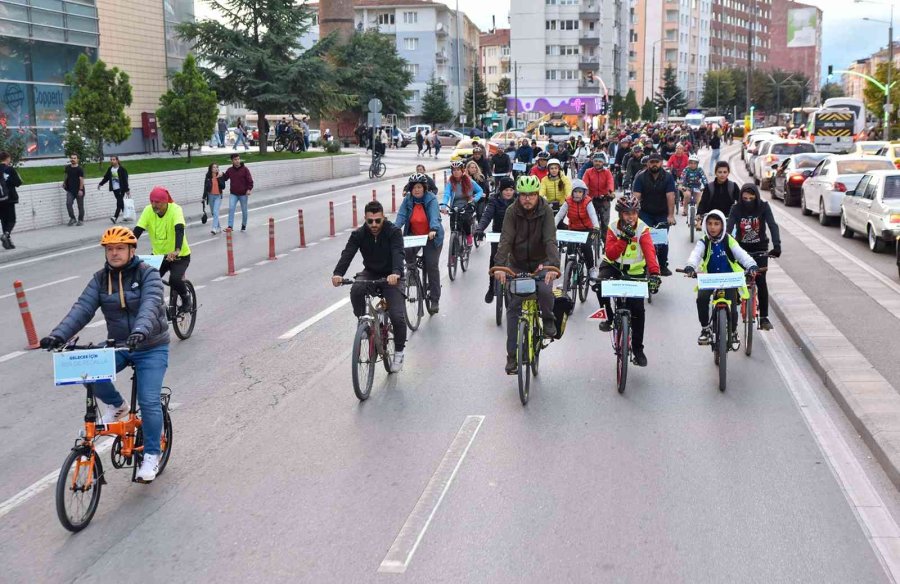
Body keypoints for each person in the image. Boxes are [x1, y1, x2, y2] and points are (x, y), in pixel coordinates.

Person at [40, 226, 170, 482]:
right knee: (85, 368)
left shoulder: (148, 274)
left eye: (120, 248)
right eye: (109, 249)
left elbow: (151, 304)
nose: (114, 253)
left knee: (149, 401)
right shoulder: (100, 279)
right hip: (119, 343)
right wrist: (58, 335)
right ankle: (116, 405)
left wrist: (141, 331)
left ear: (132, 250)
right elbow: (82, 309)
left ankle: (152, 456)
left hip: (151, 345)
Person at [493, 174, 560, 374]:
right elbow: (505, 239)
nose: (527, 199)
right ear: (518, 195)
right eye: (523, 195)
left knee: (546, 292)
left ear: (537, 194)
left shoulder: (546, 211)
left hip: (542, 263)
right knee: (513, 309)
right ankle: (512, 357)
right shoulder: (512, 211)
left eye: (531, 195)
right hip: (518, 264)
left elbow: (550, 239)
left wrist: (553, 267)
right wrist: (499, 266)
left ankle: (548, 318)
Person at [331, 200, 407, 372]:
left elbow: (398, 253)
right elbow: (348, 253)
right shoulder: (359, 234)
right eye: (370, 221)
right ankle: (363, 323)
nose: (374, 225)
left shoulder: (393, 232)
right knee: (356, 289)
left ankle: (399, 352)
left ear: (383, 218)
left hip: (392, 275)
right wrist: (338, 273)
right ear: (365, 219)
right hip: (371, 272)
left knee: (397, 315)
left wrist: (395, 273)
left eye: (377, 221)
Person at [593, 194, 661, 367]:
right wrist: (623, 239)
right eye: (626, 213)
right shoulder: (613, 228)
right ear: (620, 214)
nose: (630, 217)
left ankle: (638, 349)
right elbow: (610, 254)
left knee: (638, 310)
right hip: (613, 266)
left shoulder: (642, 229)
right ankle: (608, 317)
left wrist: (654, 274)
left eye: (633, 213)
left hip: (636, 271)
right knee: (600, 286)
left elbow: (650, 252)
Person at [684, 210, 758, 346]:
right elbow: (695, 254)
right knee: (701, 298)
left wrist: (752, 265)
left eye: (716, 224)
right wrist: (690, 266)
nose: (713, 227)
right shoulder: (704, 241)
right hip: (709, 279)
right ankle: (705, 329)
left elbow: (742, 254)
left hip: (729, 279)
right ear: (706, 225)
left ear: (722, 225)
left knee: (733, 305)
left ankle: (734, 332)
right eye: (710, 224)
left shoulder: (729, 240)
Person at [726, 183, 782, 331]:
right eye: (745, 198)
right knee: (735, 279)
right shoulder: (736, 209)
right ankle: (732, 310)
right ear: (741, 197)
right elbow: (729, 227)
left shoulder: (763, 207)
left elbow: (772, 225)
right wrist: (725, 244)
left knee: (761, 281)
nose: (748, 201)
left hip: (760, 250)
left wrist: (777, 246)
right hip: (741, 249)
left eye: (751, 198)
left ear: (756, 196)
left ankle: (764, 317)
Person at [133, 187, 192, 312]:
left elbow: (179, 229)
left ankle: (186, 299)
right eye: (152, 201)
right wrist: (128, 249)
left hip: (179, 256)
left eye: (157, 202)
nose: (154, 205)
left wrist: (176, 250)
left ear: (165, 202)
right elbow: (137, 230)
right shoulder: (148, 211)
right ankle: (158, 304)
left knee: (175, 279)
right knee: (145, 279)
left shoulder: (176, 209)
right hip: (158, 256)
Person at [395, 173, 444, 314]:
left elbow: (435, 215)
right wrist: (393, 229)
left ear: (424, 188)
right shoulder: (408, 200)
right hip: (415, 235)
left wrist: (433, 229)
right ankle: (412, 274)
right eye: (414, 188)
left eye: (419, 187)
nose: (416, 190)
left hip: (431, 237)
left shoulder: (431, 198)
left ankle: (435, 298)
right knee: (405, 251)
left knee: (432, 265)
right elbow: (401, 216)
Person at [632, 152, 676, 275]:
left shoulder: (668, 177)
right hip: (645, 213)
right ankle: (642, 263)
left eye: (657, 162)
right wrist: (633, 215)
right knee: (644, 239)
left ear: (661, 163)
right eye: (652, 162)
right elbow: (636, 197)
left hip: (662, 213)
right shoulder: (640, 177)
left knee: (662, 240)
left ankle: (663, 265)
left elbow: (670, 196)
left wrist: (670, 216)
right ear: (648, 163)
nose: (654, 164)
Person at [476, 176, 516, 303]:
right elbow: (487, 216)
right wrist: (479, 228)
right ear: (500, 190)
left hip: (515, 233)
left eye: (511, 190)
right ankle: (491, 286)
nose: (508, 192)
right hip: (498, 233)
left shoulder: (518, 200)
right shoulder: (494, 199)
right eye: (506, 190)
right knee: (494, 257)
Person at [554, 178, 600, 276]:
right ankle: (567, 276)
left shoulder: (588, 202)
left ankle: (591, 268)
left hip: (588, 230)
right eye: (575, 191)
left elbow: (593, 215)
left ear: (584, 193)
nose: (577, 194)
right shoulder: (568, 201)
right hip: (573, 229)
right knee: (570, 251)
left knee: (586, 246)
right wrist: (553, 226)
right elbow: (559, 215)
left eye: (580, 192)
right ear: (572, 192)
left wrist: (596, 226)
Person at [442, 161, 484, 246]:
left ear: (462, 170)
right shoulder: (450, 182)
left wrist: (474, 199)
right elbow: (446, 195)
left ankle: (468, 236)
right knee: (453, 225)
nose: (456, 172)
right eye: (454, 170)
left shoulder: (469, 181)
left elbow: (480, 191)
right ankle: (453, 250)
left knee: (465, 220)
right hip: (455, 206)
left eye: (458, 170)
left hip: (468, 204)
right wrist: (443, 206)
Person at [582, 153, 615, 236]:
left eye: (600, 161)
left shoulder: (607, 172)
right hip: (591, 199)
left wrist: (610, 192)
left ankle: (605, 244)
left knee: (605, 223)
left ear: (603, 162)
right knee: (589, 222)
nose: (597, 163)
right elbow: (584, 184)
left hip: (604, 199)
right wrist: (583, 193)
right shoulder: (588, 172)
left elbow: (610, 183)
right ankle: (589, 239)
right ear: (593, 162)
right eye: (595, 161)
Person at [222, 153, 254, 231]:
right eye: (235, 159)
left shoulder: (245, 169)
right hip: (233, 194)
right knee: (231, 209)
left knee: (244, 210)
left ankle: (243, 225)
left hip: (243, 194)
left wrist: (249, 189)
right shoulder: (230, 170)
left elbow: (250, 181)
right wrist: (221, 175)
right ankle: (230, 226)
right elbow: (225, 178)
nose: (237, 161)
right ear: (232, 161)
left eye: (238, 159)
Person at [98, 156, 130, 224]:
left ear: (117, 160)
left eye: (114, 159)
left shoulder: (122, 169)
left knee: (119, 202)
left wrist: (127, 190)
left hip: (121, 189)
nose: (112, 161)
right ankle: (126, 216)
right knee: (121, 203)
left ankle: (115, 217)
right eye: (111, 160)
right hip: (114, 189)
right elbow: (106, 178)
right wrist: (101, 184)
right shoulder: (110, 169)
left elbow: (125, 180)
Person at [0, 151, 22, 250]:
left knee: (4, 220)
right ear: (7, 158)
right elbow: (18, 182)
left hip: (0, 198)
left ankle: (8, 243)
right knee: (12, 220)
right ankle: (6, 234)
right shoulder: (10, 169)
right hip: (10, 198)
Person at [204, 162, 227, 234]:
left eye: (217, 167)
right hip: (210, 196)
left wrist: (219, 179)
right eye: (214, 167)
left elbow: (223, 187)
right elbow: (205, 187)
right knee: (213, 213)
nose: (216, 168)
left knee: (216, 211)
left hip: (218, 196)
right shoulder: (208, 177)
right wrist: (203, 197)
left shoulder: (220, 176)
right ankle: (219, 227)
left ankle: (214, 228)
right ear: (211, 169)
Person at [63, 153, 85, 226]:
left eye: (74, 158)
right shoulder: (68, 167)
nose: (73, 159)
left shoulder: (80, 169)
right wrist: (64, 183)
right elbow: (66, 176)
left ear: (77, 159)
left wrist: (81, 190)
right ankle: (72, 218)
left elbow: (81, 180)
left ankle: (80, 220)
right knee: (68, 203)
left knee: (80, 206)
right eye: (71, 158)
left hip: (79, 190)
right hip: (70, 190)